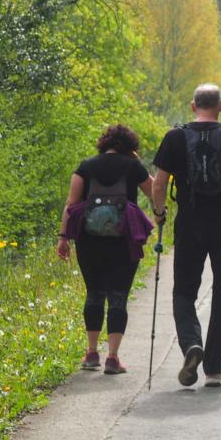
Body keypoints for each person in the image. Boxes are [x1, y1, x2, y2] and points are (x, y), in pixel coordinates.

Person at [151, 84, 221, 388]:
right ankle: (213, 369)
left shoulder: (174, 138)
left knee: (184, 291)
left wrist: (159, 214)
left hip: (189, 221)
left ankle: (191, 344)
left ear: (192, 105)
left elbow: (159, 185)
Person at [58, 124, 154, 375]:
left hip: (90, 242)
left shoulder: (86, 166)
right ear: (130, 145)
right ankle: (113, 357)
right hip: (124, 241)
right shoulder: (133, 166)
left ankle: (91, 353)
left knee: (94, 294)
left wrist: (63, 237)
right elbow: (156, 191)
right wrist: (137, 161)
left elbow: (71, 203)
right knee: (118, 297)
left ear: (104, 142)